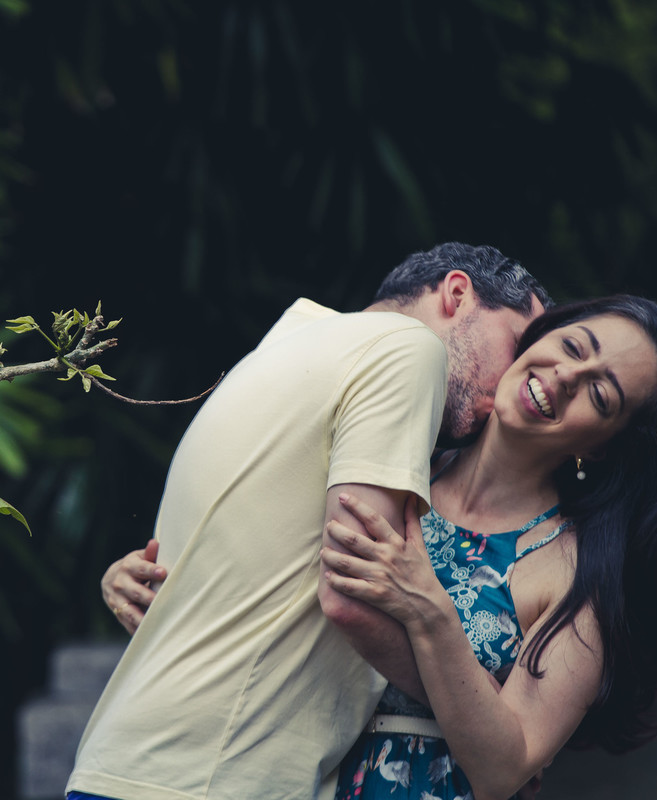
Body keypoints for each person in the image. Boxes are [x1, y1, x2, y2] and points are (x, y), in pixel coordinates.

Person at [106, 295, 657, 800]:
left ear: (601, 446)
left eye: (601, 394)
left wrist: (429, 609)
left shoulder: (580, 575)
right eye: (572, 347)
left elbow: (503, 769)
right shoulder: (393, 464)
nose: (565, 377)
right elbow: (260, 556)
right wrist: (144, 577)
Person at [67, 243, 550, 800]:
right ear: (457, 294)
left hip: (130, 761)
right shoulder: (410, 349)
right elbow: (350, 593)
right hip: (212, 781)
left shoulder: (284, 349)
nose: (513, 383)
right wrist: (486, 718)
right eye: (517, 346)